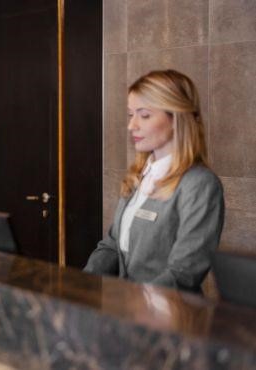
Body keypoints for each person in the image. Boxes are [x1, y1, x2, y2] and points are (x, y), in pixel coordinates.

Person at [84, 69, 224, 293]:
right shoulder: (138, 175)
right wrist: (81, 286)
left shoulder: (200, 185)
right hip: (125, 313)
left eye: (144, 115)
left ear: (176, 119)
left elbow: (184, 272)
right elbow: (111, 246)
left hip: (168, 319)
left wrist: (136, 305)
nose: (132, 126)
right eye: (131, 115)